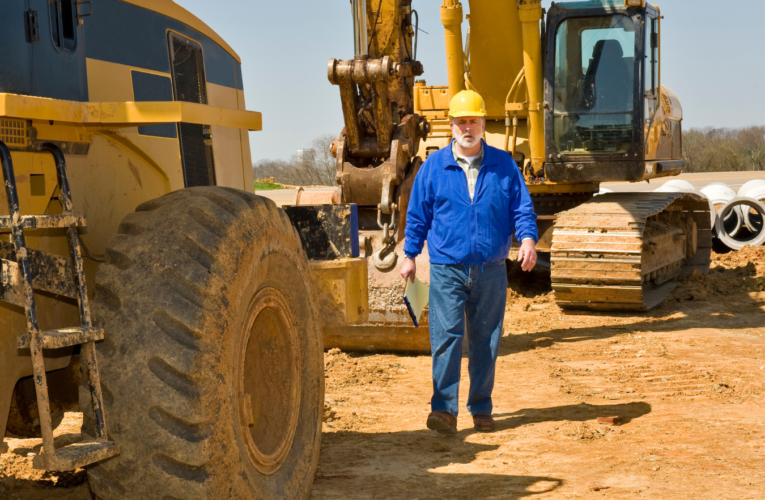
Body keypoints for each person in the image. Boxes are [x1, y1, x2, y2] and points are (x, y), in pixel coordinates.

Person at [400, 90, 538, 433]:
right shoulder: (434, 167)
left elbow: (521, 209)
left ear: (482, 124)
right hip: (447, 269)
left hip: (490, 270)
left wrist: (529, 240)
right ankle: (444, 411)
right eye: (461, 121)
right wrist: (410, 256)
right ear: (451, 125)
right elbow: (417, 215)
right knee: (446, 337)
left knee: (486, 340)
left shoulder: (504, 165)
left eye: (473, 121)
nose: (467, 127)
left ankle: (481, 408)